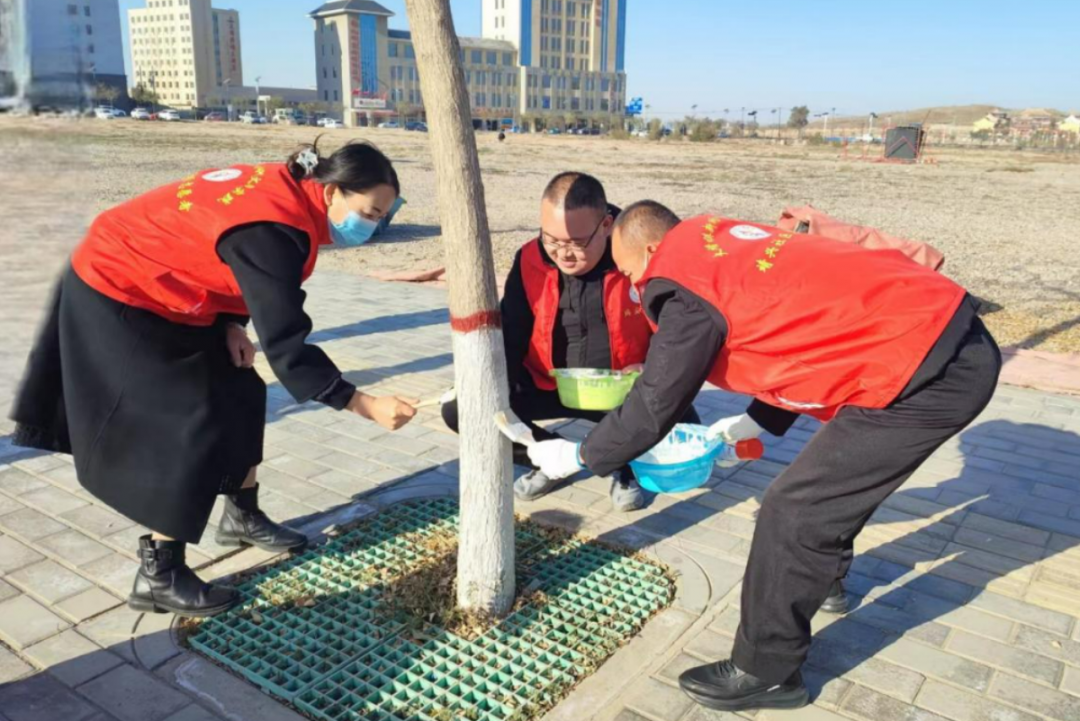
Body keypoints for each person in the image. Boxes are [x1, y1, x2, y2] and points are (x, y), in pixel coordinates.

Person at [525, 201, 1001, 711]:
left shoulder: (680, 282)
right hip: (932, 336)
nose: (634, 286)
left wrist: (577, 455)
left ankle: (768, 672)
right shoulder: (717, 242)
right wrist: (757, 420)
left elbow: (653, 406)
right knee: (828, 491)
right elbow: (795, 329)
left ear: (651, 249)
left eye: (628, 272)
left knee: (794, 509)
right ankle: (823, 582)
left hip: (928, 373)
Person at [10, 139, 419, 618]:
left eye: (380, 217)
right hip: (119, 286)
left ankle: (242, 516)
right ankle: (160, 574)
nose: (369, 226)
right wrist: (363, 404)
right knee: (188, 418)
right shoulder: (275, 226)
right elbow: (286, 342)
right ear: (331, 192)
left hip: (172, 284)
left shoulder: (292, 192)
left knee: (241, 387)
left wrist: (231, 323)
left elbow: (227, 259)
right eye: (368, 212)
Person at [441, 173, 698, 512]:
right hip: (547, 385)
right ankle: (548, 456)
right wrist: (483, 386)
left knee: (689, 433)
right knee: (462, 409)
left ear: (606, 225)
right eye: (551, 239)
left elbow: (676, 335)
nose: (563, 254)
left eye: (576, 242)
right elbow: (511, 334)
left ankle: (624, 464)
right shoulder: (530, 259)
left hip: (620, 391)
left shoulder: (637, 257)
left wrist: (649, 368)